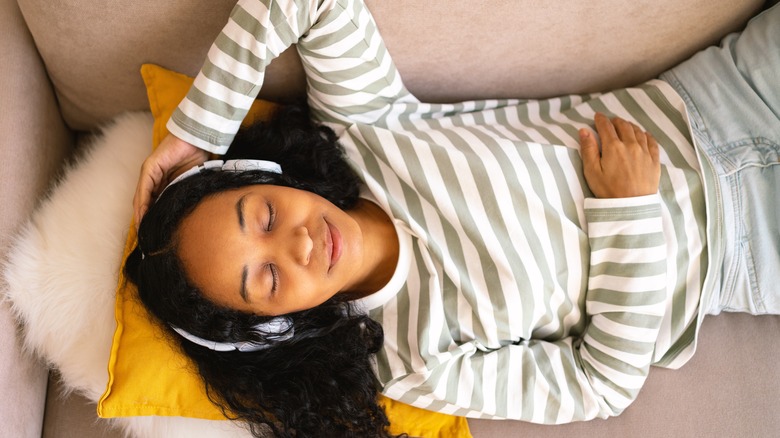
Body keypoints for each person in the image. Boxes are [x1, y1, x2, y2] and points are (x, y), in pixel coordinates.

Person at [126, 0, 780, 436]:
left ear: (267, 178)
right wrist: (627, 211)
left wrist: (199, 130)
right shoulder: (410, 361)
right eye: (266, 280)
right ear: (277, 330)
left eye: (263, 215)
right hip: (742, 254)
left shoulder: (363, 134)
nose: (295, 243)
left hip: (716, 98)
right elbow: (598, 386)